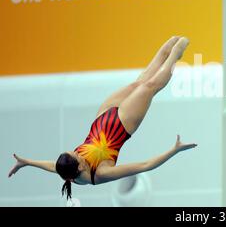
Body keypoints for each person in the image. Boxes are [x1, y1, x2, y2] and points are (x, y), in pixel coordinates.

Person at [8, 36, 197, 199]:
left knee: (139, 82)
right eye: (78, 156)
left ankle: (167, 48)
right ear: (80, 167)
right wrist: (174, 151)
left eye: (74, 152)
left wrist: (27, 162)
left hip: (102, 116)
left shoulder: (67, 170)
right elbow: (144, 165)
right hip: (122, 125)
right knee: (150, 86)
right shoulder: (99, 174)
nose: (78, 152)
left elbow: (52, 166)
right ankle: (175, 55)